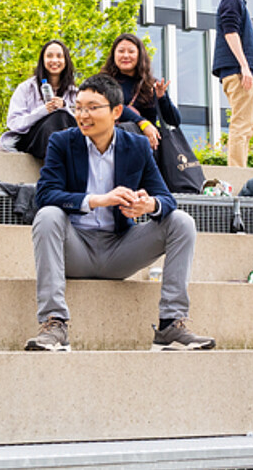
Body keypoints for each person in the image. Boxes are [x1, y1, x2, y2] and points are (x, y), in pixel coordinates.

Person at [27, 74, 214, 352]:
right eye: (78, 107)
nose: (82, 114)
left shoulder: (136, 146)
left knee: (181, 222)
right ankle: (55, 324)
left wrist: (149, 205)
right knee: (48, 216)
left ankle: (170, 325)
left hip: (120, 251)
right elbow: (45, 195)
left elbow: (166, 198)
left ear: (116, 111)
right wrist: (98, 200)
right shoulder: (61, 142)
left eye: (92, 107)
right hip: (75, 248)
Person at [212, 0, 253, 168]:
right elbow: (230, 32)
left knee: (246, 126)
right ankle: (238, 173)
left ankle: (239, 170)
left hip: (243, 72)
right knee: (242, 125)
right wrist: (245, 67)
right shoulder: (232, 0)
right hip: (238, 72)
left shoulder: (237, 1)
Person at [0, 39, 78, 160]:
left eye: (59, 56)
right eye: (49, 56)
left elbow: (83, 124)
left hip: (67, 141)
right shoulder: (26, 88)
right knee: (57, 117)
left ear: (66, 61)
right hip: (32, 140)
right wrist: (43, 111)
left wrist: (65, 107)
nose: (54, 60)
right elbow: (14, 123)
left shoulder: (75, 93)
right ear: (42, 60)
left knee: (62, 116)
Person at [99, 33, 179, 150]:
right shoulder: (103, 81)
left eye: (131, 52)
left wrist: (162, 98)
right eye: (121, 51)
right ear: (114, 55)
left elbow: (174, 120)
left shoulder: (151, 84)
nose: (126, 56)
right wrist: (142, 123)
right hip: (113, 145)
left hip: (147, 149)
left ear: (139, 55)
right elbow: (114, 107)